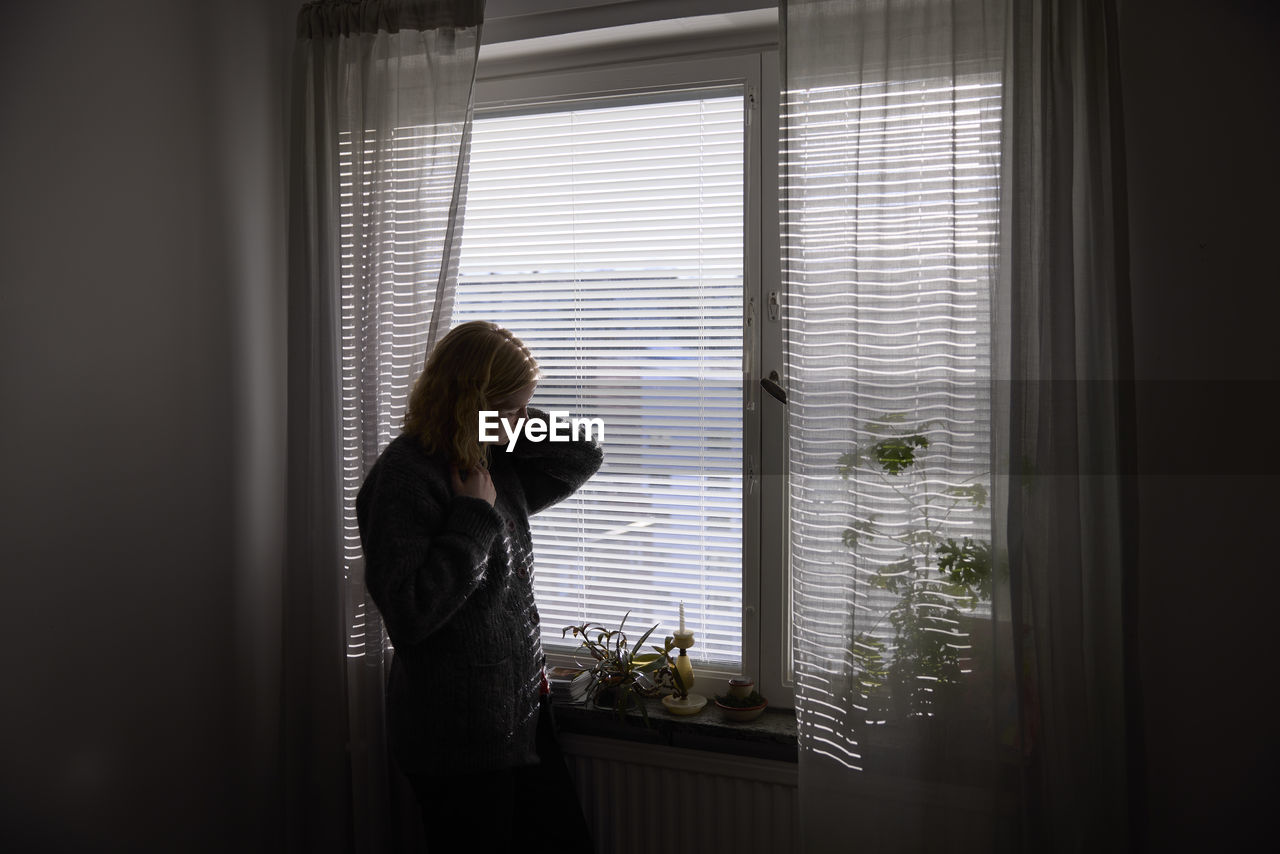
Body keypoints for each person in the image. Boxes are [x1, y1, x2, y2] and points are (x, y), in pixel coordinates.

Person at [356, 320, 601, 851]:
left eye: (523, 409)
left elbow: (583, 453)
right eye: (512, 408)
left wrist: (510, 422)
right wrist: (473, 515)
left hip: (519, 717)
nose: (521, 421)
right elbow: (411, 612)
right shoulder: (403, 479)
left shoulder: (491, 458)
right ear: (472, 400)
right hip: (457, 740)